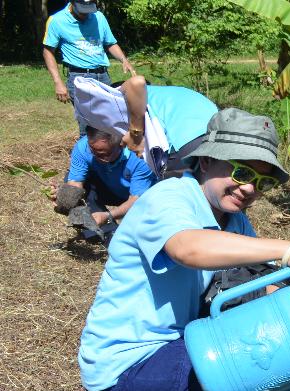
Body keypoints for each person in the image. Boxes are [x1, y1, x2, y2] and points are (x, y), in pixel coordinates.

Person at [78, 108, 290, 391]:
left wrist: (288, 287)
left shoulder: (234, 218)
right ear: (209, 158)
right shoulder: (169, 197)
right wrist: (288, 249)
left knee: (269, 334)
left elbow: (254, 282)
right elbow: (188, 248)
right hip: (125, 374)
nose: (249, 189)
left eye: (261, 183)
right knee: (250, 353)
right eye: (242, 172)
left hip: (170, 350)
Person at [72, 75, 218, 179]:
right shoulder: (157, 96)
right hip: (217, 128)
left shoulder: (118, 96)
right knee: (208, 187)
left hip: (185, 136)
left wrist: (136, 134)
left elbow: (137, 82)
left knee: (173, 193)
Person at [41, 1, 136, 135]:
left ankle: (109, 154)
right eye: (82, 10)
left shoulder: (99, 17)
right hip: (79, 78)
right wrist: (58, 82)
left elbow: (110, 43)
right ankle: (85, 154)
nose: (86, 14)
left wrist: (124, 60)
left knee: (110, 121)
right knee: (88, 127)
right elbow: (48, 51)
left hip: (103, 76)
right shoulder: (57, 20)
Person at [54, 125, 157, 245]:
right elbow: (75, 183)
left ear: (121, 144)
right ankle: (106, 233)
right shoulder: (83, 147)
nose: (98, 157)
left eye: (104, 154)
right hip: (108, 188)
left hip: (141, 197)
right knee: (72, 187)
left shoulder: (140, 157)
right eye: (93, 152)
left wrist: (108, 216)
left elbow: (136, 200)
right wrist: (64, 200)